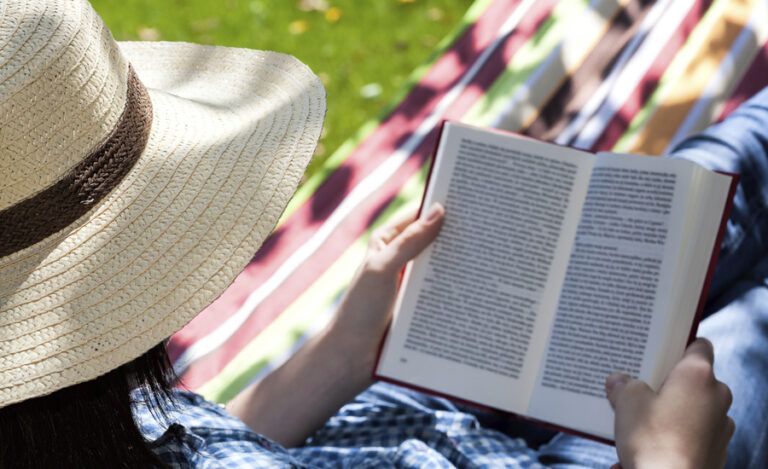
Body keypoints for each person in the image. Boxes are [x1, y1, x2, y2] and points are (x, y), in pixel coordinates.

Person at [0, 1, 763, 468]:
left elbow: (193, 438)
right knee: (748, 322)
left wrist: (341, 354)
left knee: (702, 185)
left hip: (401, 413)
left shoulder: (71, 421)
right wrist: (668, 460)